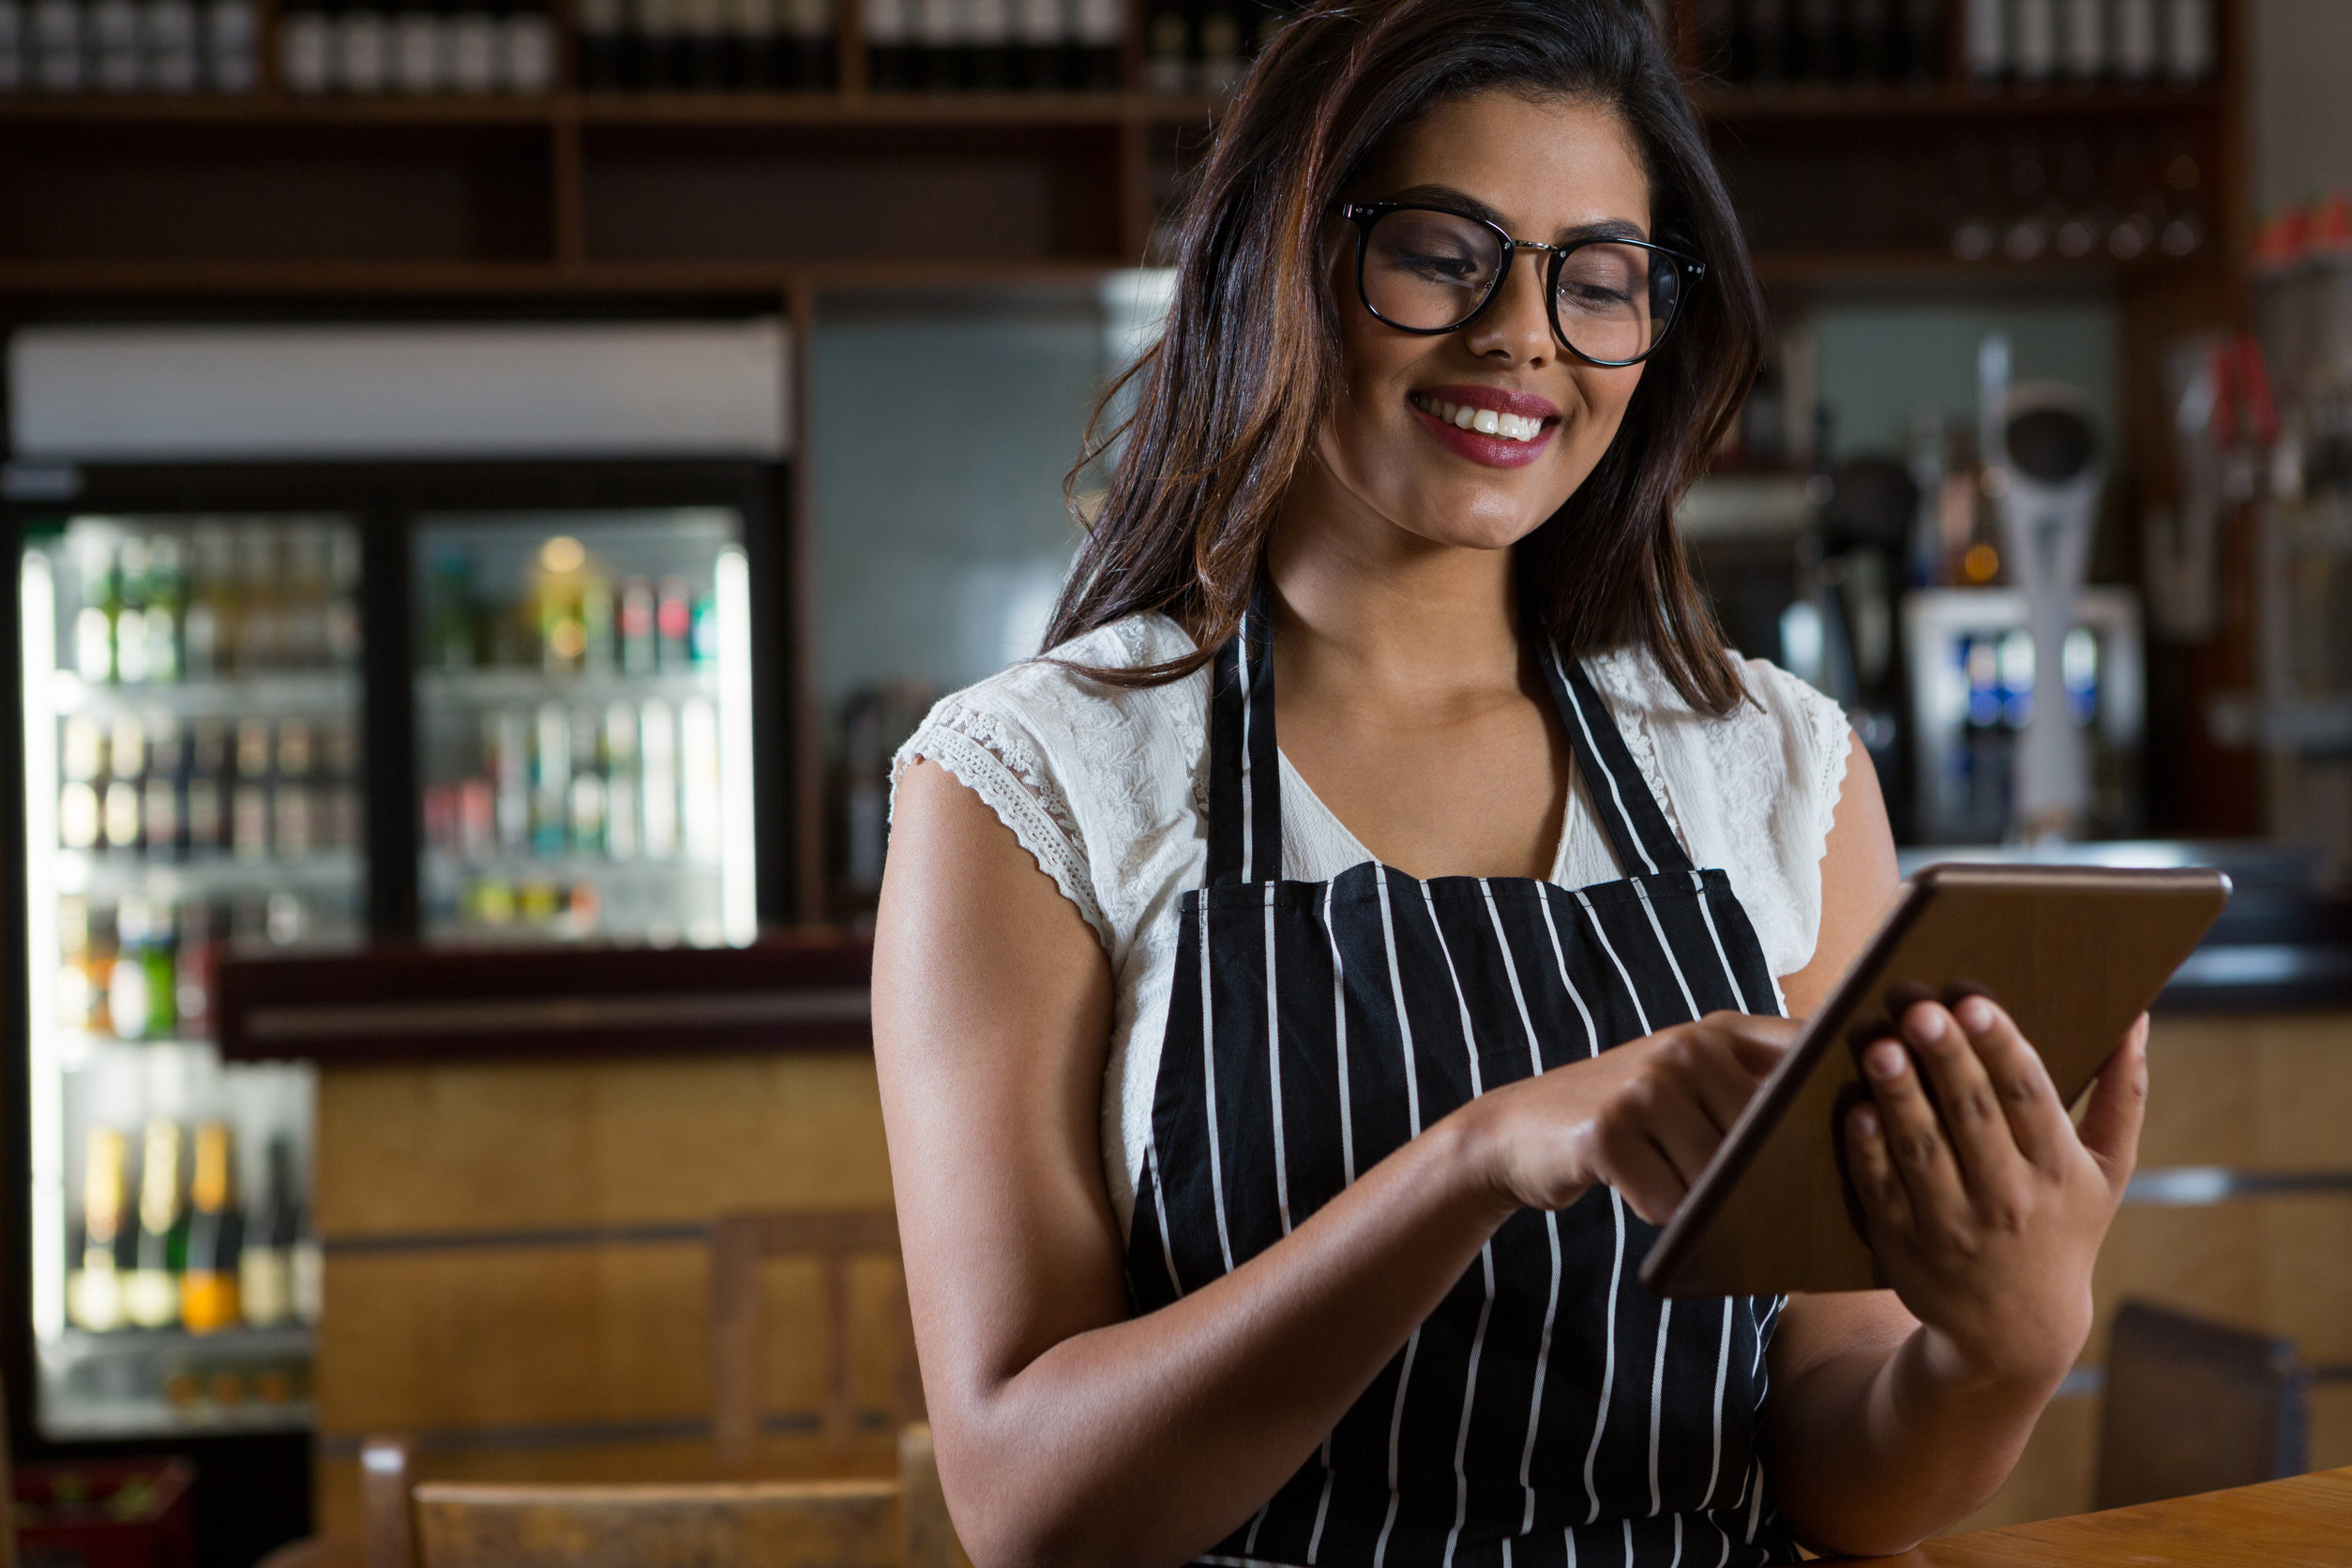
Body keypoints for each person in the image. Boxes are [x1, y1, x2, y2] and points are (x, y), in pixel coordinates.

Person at [872, 0, 2148, 1561]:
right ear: (1282, 265)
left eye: (1599, 279)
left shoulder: (1769, 767)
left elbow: (1832, 1464)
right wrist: (1474, 1160)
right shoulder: (1034, 779)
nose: (1525, 336)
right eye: (1441, 251)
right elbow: (1025, 1503)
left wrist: (1996, 1356)